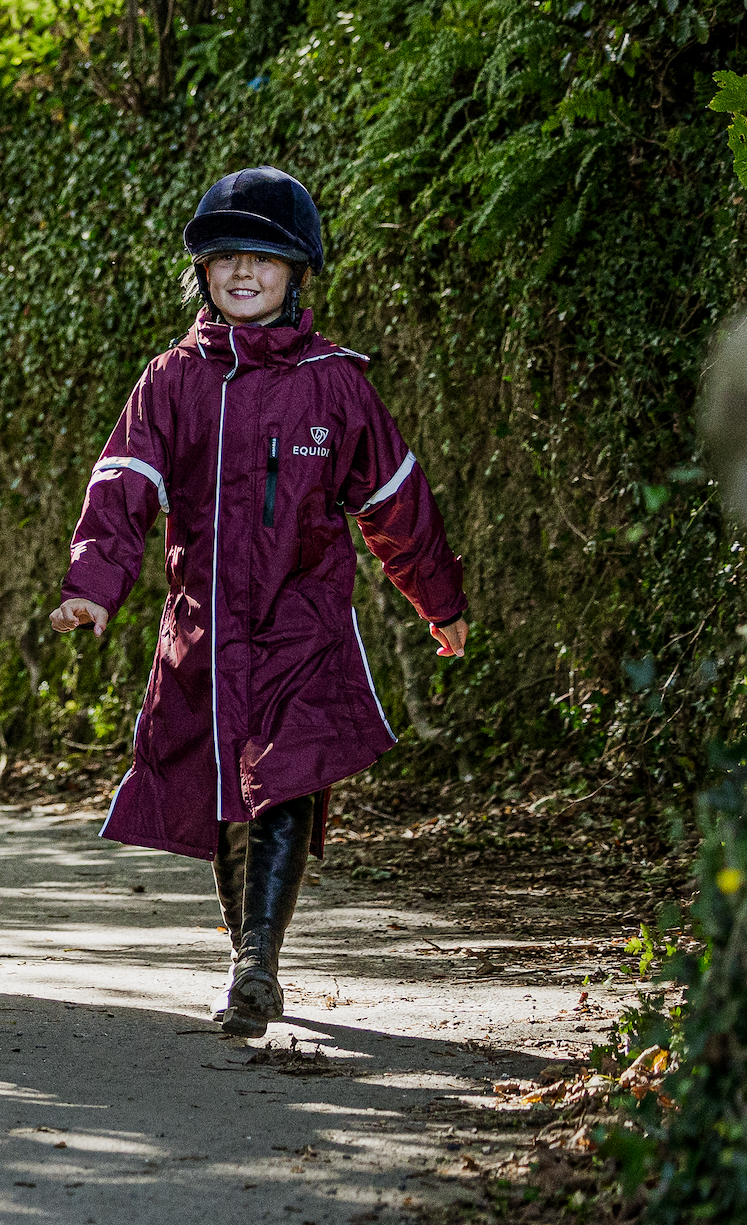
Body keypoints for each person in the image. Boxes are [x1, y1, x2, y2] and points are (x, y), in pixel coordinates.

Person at [48, 164, 468, 1036]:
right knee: (223, 787)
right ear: (201, 270)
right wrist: (93, 588)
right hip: (202, 628)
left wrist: (439, 600)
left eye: (264, 261)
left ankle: (256, 965)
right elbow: (121, 489)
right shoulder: (168, 381)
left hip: (303, 624)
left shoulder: (335, 384)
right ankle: (245, 952)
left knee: (285, 776)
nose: (243, 273)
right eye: (226, 258)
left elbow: (396, 501)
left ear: (296, 273)